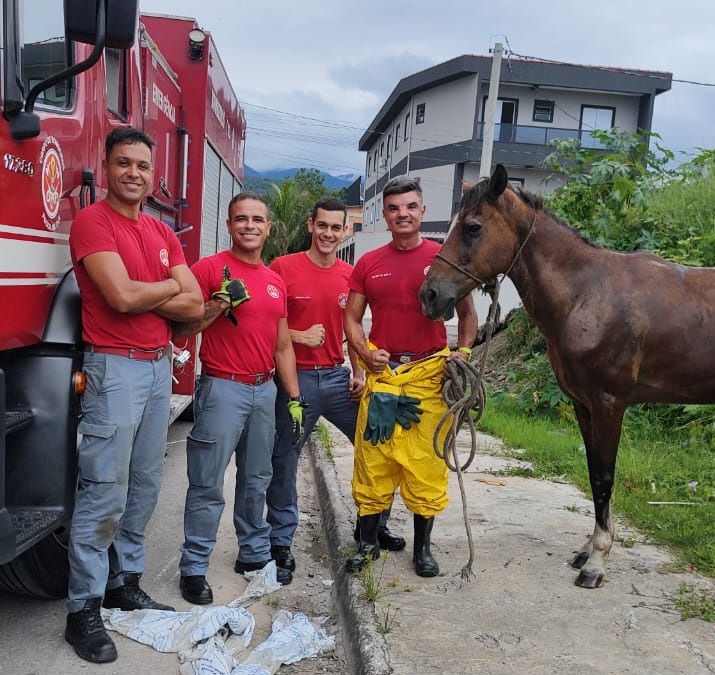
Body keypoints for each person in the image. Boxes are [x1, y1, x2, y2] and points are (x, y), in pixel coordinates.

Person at [66, 126, 204, 664]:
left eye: (143, 166)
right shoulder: (91, 223)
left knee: (144, 483)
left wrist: (165, 293)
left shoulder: (161, 230)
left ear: (153, 175)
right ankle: (82, 610)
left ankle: (122, 583)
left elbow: (195, 307)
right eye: (123, 163)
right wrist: (170, 287)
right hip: (114, 368)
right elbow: (120, 298)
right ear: (106, 167)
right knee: (104, 488)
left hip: (155, 370)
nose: (133, 174)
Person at [173, 191, 304, 606]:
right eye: (241, 219)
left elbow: (283, 346)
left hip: (265, 390)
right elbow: (181, 331)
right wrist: (217, 303)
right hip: (222, 388)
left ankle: (252, 554)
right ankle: (194, 567)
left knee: (256, 479)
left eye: (257, 220)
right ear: (229, 225)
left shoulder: (274, 282)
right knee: (208, 482)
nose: (249, 226)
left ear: (268, 227)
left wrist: (294, 397)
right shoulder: (209, 269)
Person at [343, 176, 478, 577]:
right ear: (384, 214)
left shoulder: (443, 258)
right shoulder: (368, 263)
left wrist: (463, 353)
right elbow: (350, 318)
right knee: (374, 461)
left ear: (422, 211)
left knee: (426, 464)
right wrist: (366, 353)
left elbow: (469, 316)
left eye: (410, 207)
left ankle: (423, 550)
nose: (402, 214)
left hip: (430, 377)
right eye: (394, 208)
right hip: (384, 377)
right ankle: (367, 544)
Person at [266, 197, 406, 573]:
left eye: (336, 227)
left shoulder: (350, 273)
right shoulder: (283, 267)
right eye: (322, 225)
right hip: (296, 382)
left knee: (379, 446)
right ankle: (280, 541)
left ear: (346, 230)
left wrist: (358, 371)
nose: (328, 233)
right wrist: (298, 334)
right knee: (284, 459)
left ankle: (373, 528)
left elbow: (355, 328)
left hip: (338, 378)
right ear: (311, 225)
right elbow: (264, 323)